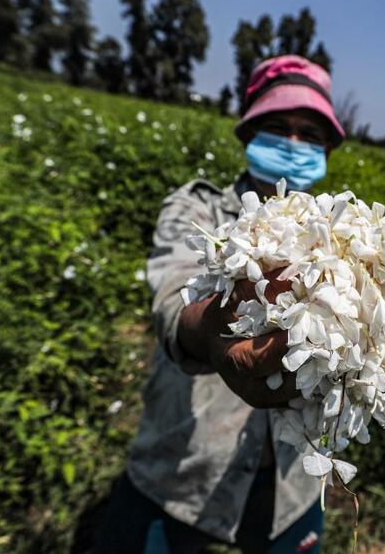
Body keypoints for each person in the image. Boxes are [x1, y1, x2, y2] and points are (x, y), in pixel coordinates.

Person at [95, 55, 346, 554]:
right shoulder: (200, 210)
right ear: (248, 132)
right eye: (278, 127)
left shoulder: (341, 233)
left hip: (289, 490)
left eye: (308, 133)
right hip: (183, 475)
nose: (293, 143)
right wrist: (209, 329)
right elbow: (172, 298)